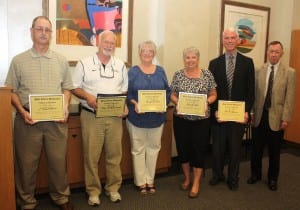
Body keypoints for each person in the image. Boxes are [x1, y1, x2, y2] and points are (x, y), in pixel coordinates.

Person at [5, 16, 74, 210]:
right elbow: (10, 91)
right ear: (32, 31)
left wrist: (66, 106)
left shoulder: (61, 60)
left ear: (51, 34)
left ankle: (61, 197)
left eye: (47, 30)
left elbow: (67, 88)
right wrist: (20, 110)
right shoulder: (19, 61)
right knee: (26, 165)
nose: (44, 33)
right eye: (40, 29)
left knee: (58, 163)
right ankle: (27, 201)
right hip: (28, 120)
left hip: (56, 121)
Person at [71, 30, 128, 206]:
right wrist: (88, 97)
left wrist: (123, 105)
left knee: (114, 155)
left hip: (114, 117)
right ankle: (93, 191)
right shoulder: (84, 63)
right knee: (91, 156)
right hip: (91, 116)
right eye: (106, 42)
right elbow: (74, 87)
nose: (109, 45)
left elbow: (124, 89)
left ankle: (113, 188)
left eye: (112, 43)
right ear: (98, 42)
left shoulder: (120, 65)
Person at [208, 27, 255, 191]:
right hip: (219, 115)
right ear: (223, 41)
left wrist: (246, 111)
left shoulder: (247, 63)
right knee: (218, 149)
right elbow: (211, 90)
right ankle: (217, 174)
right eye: (226, 38)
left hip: (237, 115)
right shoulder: (214, 63)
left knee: (235, 149)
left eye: (232, 38)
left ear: (237, 40)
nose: (229, 41)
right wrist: (214, 109)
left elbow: (251, 91)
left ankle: (233, 177)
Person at [247, 41, 296, 191]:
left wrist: (286, 118)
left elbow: (290, 97)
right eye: (271, 51)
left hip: (277, 117)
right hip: (259, 116)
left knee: (274, 152)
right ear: (267, 53)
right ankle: (255, 174)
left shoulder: (289, 72)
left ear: (281, 53)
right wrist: (252, 112)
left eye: (276, 52)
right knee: (256, 149)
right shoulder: (259, 70)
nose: (273, 54)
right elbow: (254, 94)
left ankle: (273, 179)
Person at [170, 47, 217, 198]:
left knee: (199, 150)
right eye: (187, 57)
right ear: (184, 59)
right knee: (183, 149)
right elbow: (172, 94)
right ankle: (187, 178)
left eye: (193, 57)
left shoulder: (207, 74)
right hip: (182, 120)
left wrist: (206, 103)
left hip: (201, 121)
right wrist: (178, 103)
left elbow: (213, 94)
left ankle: (196, 182)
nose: (190, 60)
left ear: (198, 59)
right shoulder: (178, 74)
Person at [126, 40, 171, 195]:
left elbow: (167, 91)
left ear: (154, 53)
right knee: (138, 150)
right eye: (144, 50)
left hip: (157, 119)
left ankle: (150, 180)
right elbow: (127, 93)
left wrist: (163, 105)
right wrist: (134, 103)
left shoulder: (160, 70)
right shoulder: (132, 72)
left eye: (150, 51)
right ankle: (140, 182)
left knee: (153, 149)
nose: (147, 53)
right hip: (136, 119)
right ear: (140, 53)